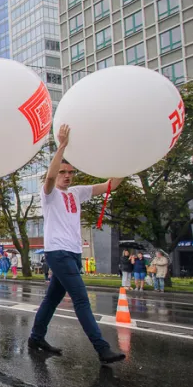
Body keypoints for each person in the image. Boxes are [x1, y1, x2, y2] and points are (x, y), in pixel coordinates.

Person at [27, 124, 126, 364]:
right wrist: (61, 145)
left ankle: (36, 338)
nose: (67, 175)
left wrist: (128, 161)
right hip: (57, 252)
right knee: (81, 299)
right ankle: (102, 349)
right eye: (63, 171)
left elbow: (110, 185)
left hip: (72, 253)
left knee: (52, 299)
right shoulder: (48, 193)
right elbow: (50, 176)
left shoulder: (78, 192)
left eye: (70, 172)